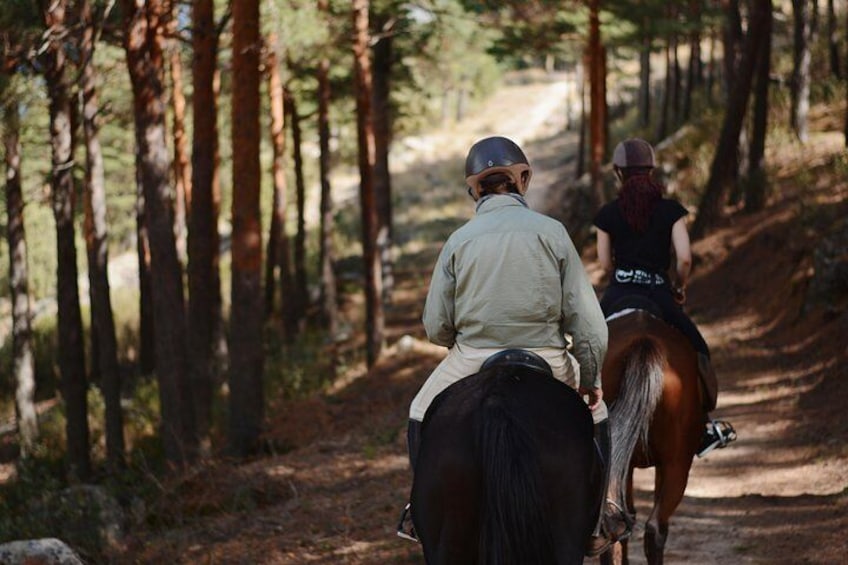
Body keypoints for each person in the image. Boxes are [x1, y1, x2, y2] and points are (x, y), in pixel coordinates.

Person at [397, 136, 627, 556]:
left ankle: (420, 511)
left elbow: (434, 326)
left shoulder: (458, 240)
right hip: (548, 358)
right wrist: (589, 379)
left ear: (474, 188)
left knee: (419, 410)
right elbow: (590, 325)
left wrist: (460, 340)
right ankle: (601, 512)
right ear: (523, 179)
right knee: (599, 415)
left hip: (472, 359)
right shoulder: (553, 233)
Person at [593, 137, 737, 458]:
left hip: (618, 292)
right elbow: (684, 258)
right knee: (697, 348)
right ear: (652, 170)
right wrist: (678, 286)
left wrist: (622, 272)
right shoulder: (671, 211)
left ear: (619, 172)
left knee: (589, 347)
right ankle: (703, 426)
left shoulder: (608, 214)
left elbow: (604, 263)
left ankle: (581, 424)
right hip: (659, 293)